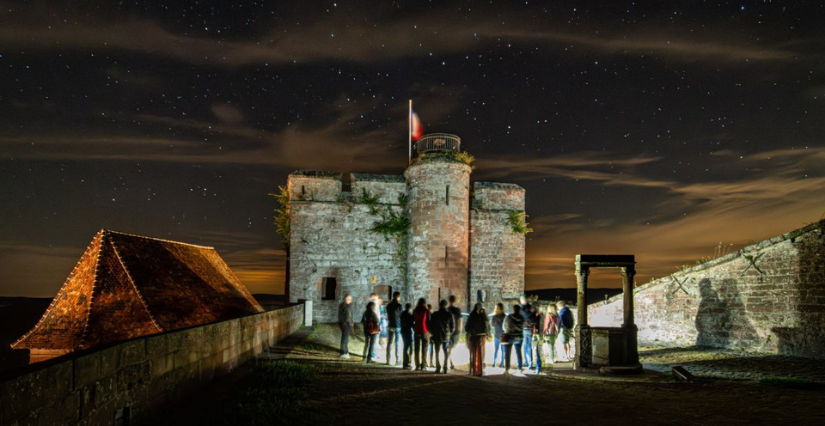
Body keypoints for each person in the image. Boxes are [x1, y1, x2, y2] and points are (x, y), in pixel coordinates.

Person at [429, 299, 455, 374]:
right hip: (446, 335)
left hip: (436, 335)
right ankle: (445, 367)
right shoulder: (449, 315)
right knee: (445, 352)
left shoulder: (434, 314)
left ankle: (438, 367)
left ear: (439, 305)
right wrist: (449, 333)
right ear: (446, 305)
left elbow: (430, 325)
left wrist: (433, 332)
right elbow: (452, 327)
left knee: (437, 351)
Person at [465, 303, 490, 376]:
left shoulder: (472, 315)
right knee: (480, 353)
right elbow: (487, 324)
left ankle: (473, 370)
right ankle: (479, 369)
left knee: (473, 352)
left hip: (473, 336)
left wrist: (470, 332)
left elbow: (467, 327)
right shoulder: (483, 316)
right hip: (481, 336)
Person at [503, 304, 525, 374]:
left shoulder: (509, 317)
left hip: (510, 336)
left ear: (513, 309)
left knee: (507, 353)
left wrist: (507, 331)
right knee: (518, 352)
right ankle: (520, 368)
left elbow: (504, 326)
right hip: (519, 337)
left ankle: (507, 368)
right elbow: (523, 327)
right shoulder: (522, 318)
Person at [413, 298, 431, 370]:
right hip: (425, 331)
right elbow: (429, 321)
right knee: (424, 348)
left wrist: (414, 327)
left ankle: (417, 365)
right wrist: (430, 331)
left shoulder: (415, 310)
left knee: (416, 348)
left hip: (417, 330)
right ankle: (423, 365)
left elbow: (412, 320)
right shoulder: (426, 311)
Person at [385, 291, 403, 366]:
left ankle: (388, 359)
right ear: (398, 297)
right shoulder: (399, 306)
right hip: (398, 325)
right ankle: (397, 359)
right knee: (397, 342)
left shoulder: (388, 306)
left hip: (390, 325)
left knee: (389, 342)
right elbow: (401, 316)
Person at [446, 295, 463, 370]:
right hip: (455, 330)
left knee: (449, 347)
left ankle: (450, 361)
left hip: (448, 330)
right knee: (452, 347)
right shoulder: (457, 310)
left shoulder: (447, 310)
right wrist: (460, 329)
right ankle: (451, 362)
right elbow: (460, 320)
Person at [337, 294, 354, 359]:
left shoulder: (347, 305)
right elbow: (347, 316)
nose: (349, 300)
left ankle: (345, 352)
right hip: (346, 323)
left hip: (346, 323)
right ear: (345, 299)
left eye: (350, 299)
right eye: (348, 299)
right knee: (344, 338)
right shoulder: (344, 306)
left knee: (346, 338)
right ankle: (343, 353)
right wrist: (349, 323)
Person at [519, 295, 534, 370]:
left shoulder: (522, 308)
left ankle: (527, 363)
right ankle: (529, 363)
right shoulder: (531, 307)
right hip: (530, 329)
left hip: (524, 329)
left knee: (525, 347)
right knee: (529, 347)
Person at [490, 303, 506, 368]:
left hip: (497, 335)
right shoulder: (504, 316)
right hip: (502, 335)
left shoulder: (494, 316)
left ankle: (495, 363)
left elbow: (492, 325)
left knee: (496, 350)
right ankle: (501, 364)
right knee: (503, 351)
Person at [400, 303, 414, 370]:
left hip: (403, 331)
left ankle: (405, 363)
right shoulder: (409, 315)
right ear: (410, 308)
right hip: (408, 332)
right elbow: (411, 324)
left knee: (405, 347)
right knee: (409, 347)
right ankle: (407, 362)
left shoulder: (402, 314)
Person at [530, 305, 542, 373]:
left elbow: (534, 324)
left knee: (534, 350)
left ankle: (535, 366)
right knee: (537, 350)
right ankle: (538, 365)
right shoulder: (537, 315)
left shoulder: (533, 316)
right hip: (536, 334)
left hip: (534, 334)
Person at [426, 303, 435, 368]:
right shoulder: (432, 315)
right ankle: (431, 362)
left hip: (425, 332)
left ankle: (425, 362)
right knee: (431, 348)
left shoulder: (425, 315)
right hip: (431, 333)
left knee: (425, 348)